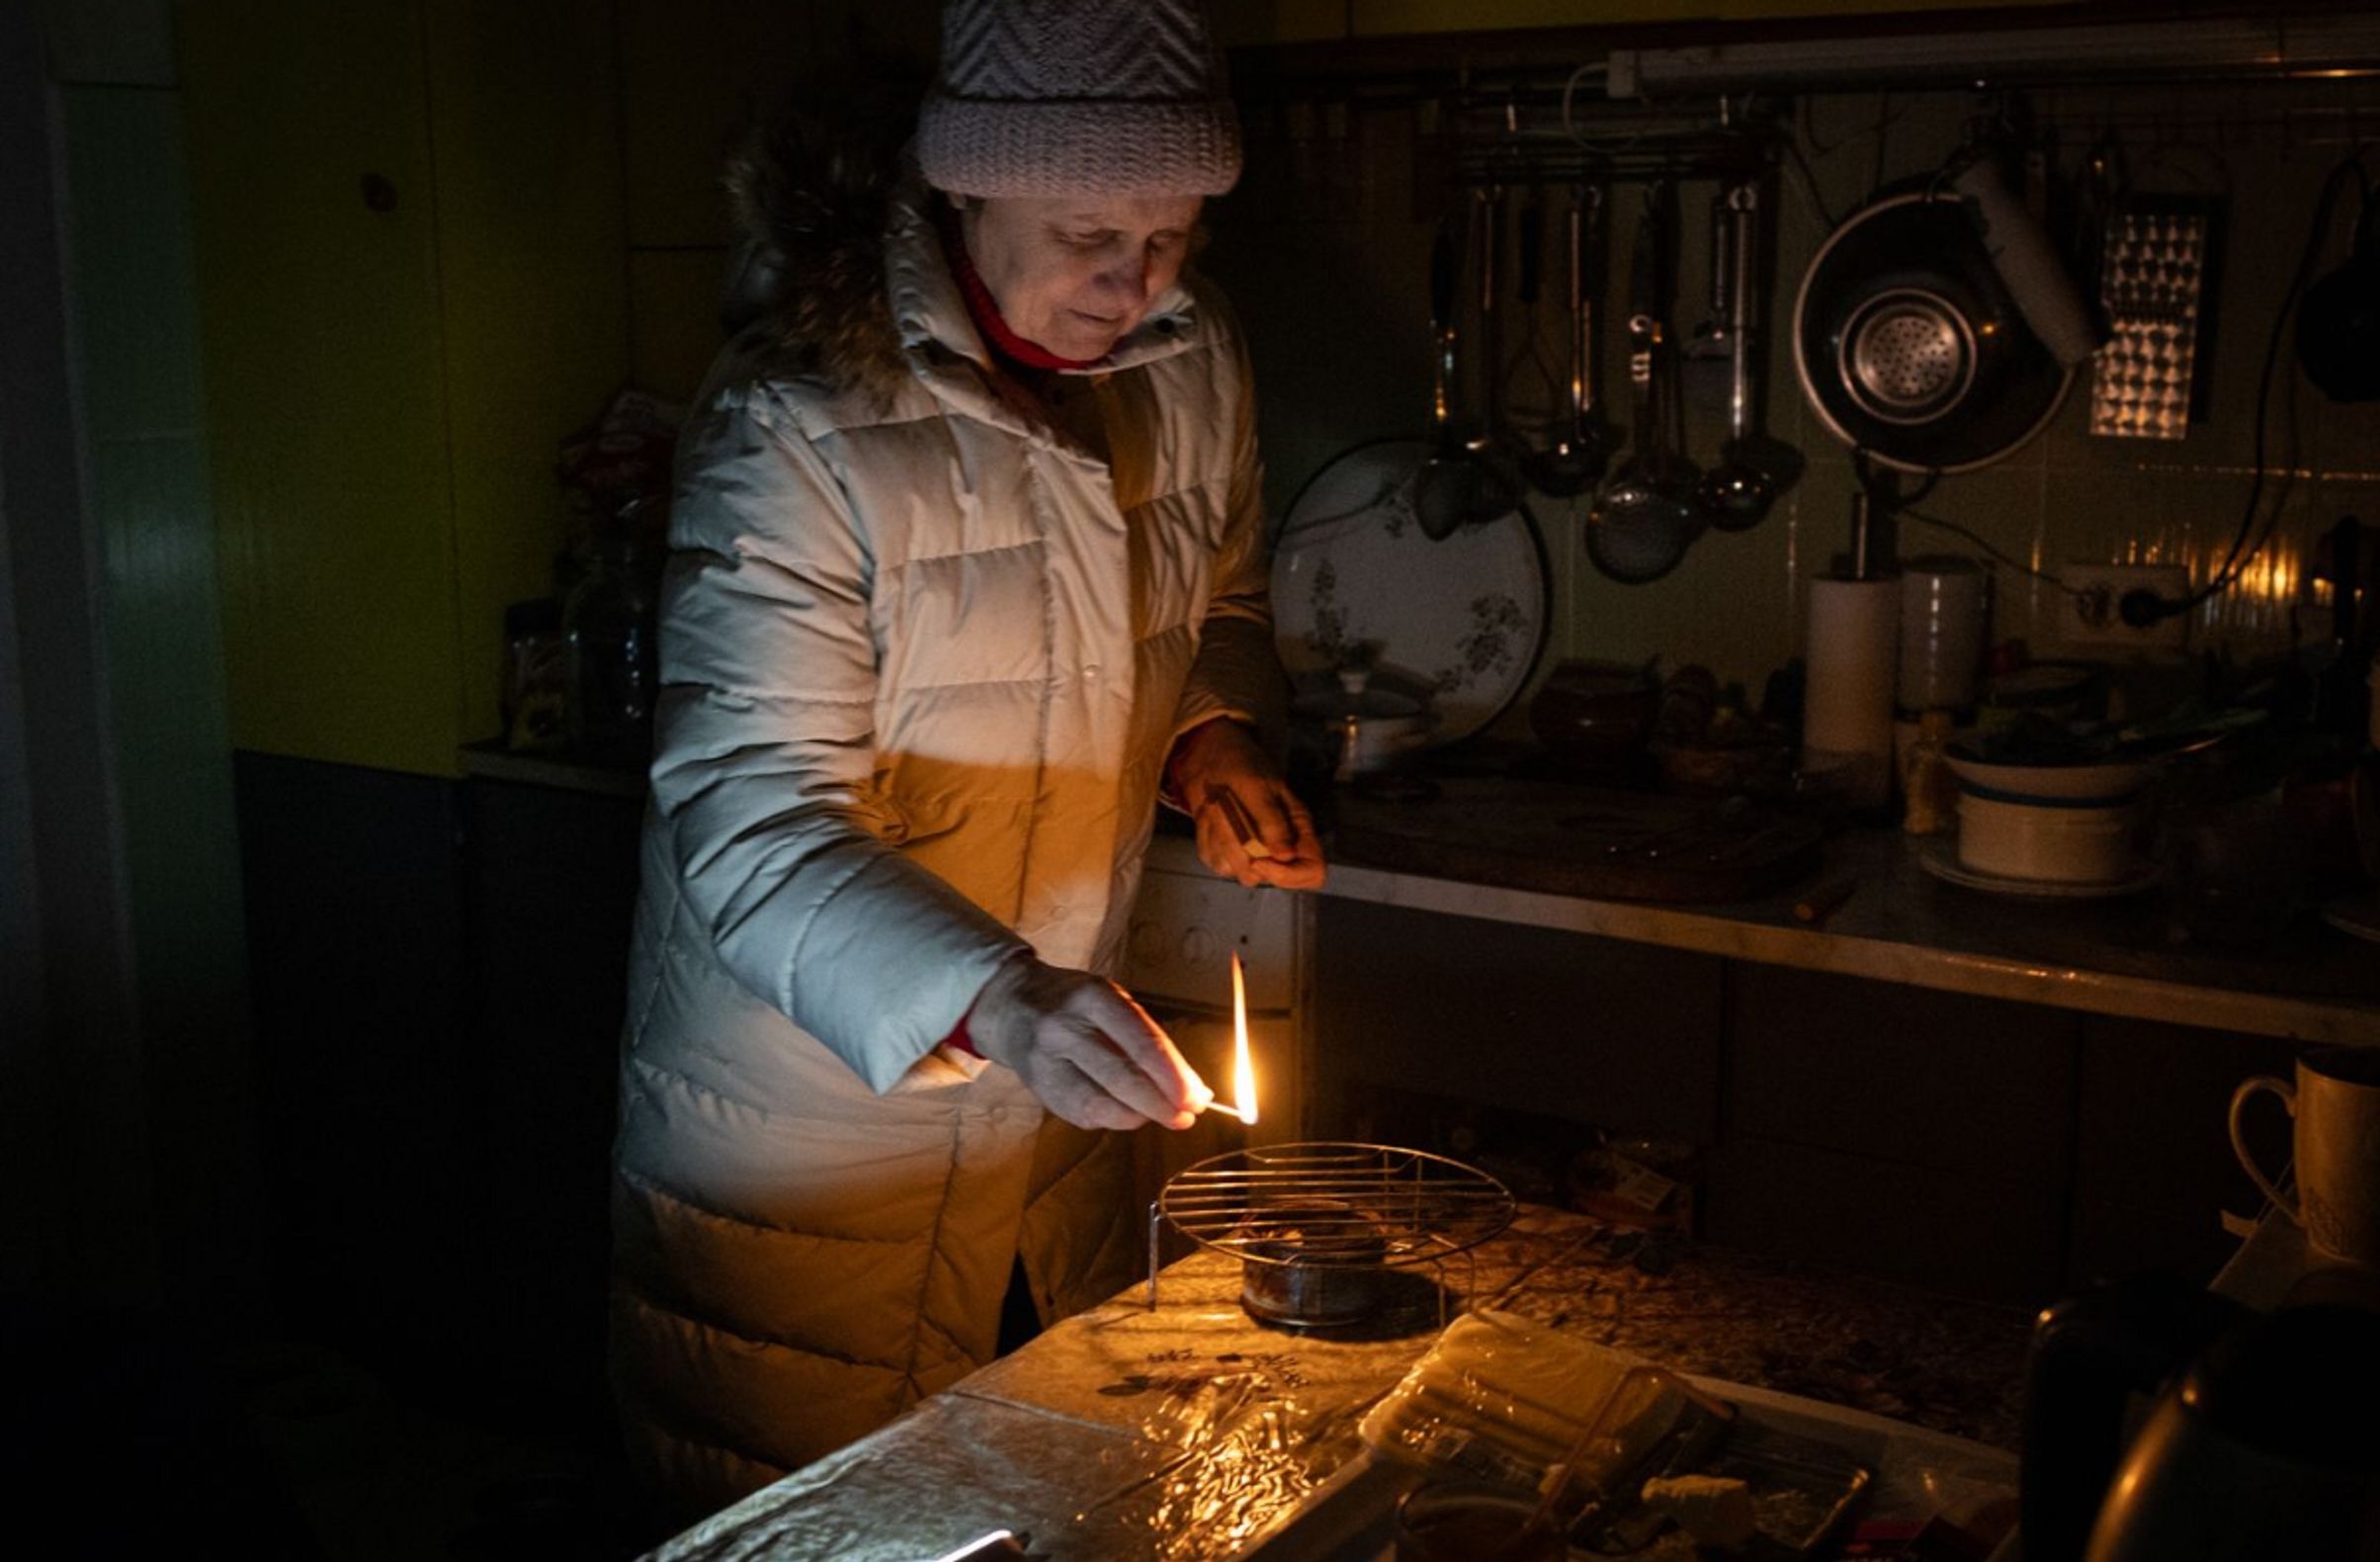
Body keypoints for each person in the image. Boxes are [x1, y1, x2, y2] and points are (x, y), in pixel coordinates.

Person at [608, 0, 1324, 1519]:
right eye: (1087, 231)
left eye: (1176, 234)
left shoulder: (1191, 361)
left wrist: (1217, 733)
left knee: (1048, 1500)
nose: (1135, 286)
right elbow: (751, 815)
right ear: (963, 189)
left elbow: (1223, 597)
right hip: (811, 1132)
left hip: (1049, 1101)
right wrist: (990, 994)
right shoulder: (797, 421)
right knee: (814, 1520)